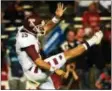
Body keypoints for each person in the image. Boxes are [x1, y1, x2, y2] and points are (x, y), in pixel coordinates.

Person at [15, 2, 103, 89]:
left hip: (33, 71)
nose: (42, 27)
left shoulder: (28, 30)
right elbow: (38, 61)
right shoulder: (26, 41)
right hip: (35, 71)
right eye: (38, 26)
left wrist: (56, 17)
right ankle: (94, 39)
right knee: (67, 54)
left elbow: (46, 27)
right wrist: (55, 69)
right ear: (33, 28)